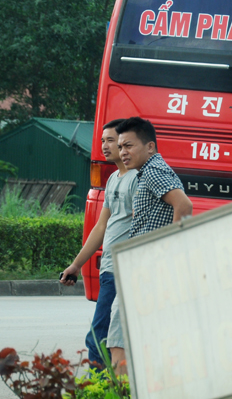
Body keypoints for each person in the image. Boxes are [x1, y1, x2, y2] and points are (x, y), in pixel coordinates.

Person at [106, 116, 193, 374]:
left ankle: (119, 392)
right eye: (120, 146)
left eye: (129, 146)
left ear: (150, 147)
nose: (123, 152)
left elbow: (184, 205)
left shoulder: (154, 171)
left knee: (119, 341)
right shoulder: (147, 171)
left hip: (147, 267)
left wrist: (169, 251)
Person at [59, 119, 138, 369]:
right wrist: (75, 265)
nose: (105, 146)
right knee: (108, 337)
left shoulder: (137, 178)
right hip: (108, 269)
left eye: (111, 140)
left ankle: (100, 388)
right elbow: (100, 228)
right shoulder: (114, 178)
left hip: (121, 269)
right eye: (103, 141)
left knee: (98, 337)